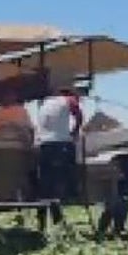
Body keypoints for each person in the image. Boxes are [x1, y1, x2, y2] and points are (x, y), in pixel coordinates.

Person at [33, 87, 84, 230]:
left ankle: (42, 223)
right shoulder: (69, 100)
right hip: (60, 144)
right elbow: (79, 116)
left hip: (44, 146)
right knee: (70, 169)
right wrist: (74, 132)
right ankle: (73, 190)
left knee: (45, 186)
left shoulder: (44, 104)